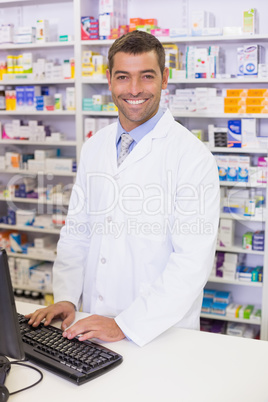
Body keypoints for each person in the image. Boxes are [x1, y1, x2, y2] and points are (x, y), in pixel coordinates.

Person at [27, 30, 220, 347]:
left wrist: (126, 325)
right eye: (123, 77)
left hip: (159, 333)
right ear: (108, 80)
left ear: (164, 78)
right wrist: (66, 297)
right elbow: (78, 231)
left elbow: (191, 263)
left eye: (146, 76)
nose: (134, 89)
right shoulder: (95, 147)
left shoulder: (193, 158)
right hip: (89, 325)